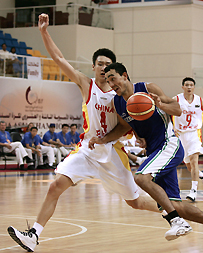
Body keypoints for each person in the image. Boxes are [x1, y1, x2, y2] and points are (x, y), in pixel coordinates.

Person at [7, 13, 191, 252]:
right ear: (93, 67)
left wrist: (139, 134)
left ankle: (173, 212)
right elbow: (60, 59)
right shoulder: (86, 84)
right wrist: (43, 32)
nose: (104, 68)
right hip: (87, 149)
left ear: (114, 70)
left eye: (108, 64)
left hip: (113, 152)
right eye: (100, 64)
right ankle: (33, 234)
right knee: (55, 186)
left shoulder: (124, 95)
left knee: (134, 202)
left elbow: (130, 122)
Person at [88, 62, 203, 252]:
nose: (111, 84)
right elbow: (125, 126)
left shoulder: (147, 89)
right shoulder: (117, 102)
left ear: (124, 76)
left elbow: (178, 110)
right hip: (154, 151)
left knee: (141, 178)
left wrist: (161, 104)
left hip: (169, 145)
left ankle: (176, 221)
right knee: (177, 205)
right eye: (108, 81)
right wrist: (109, 139)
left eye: (113, 79)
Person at [173, 77, 203, 202]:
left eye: (191, 85)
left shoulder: (199, 100)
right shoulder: (176, 99)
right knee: (188, 166)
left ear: (194, 87)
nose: (189, 87)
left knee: (194, 162)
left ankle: (193, 191)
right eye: (186, 85)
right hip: (181, 134)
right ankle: (202, 175)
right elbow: (166, 112)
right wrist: (172, 127)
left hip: (194, 134)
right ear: (182, 87)